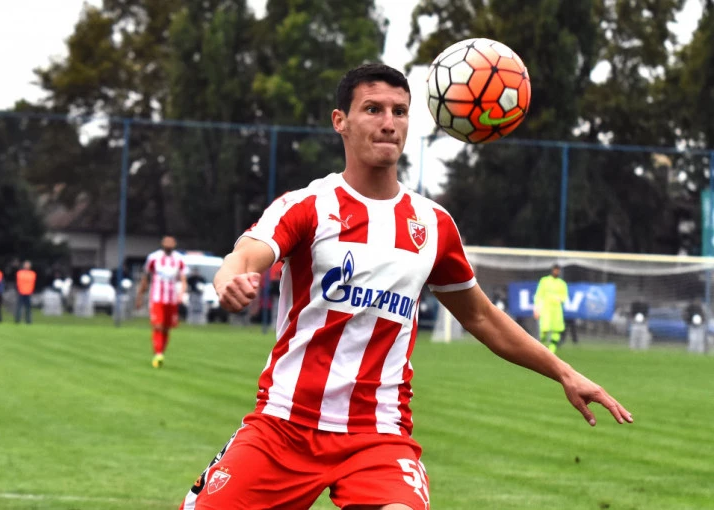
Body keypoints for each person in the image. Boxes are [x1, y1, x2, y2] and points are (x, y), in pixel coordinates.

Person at [178, 64, 632, 510]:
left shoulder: (433, 224)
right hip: (285, 425)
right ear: (340, 121)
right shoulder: (308, 205)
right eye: (373, 109)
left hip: (377, 436)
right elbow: (246, 254)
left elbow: (481, 317)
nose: (388, 123)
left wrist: (564, 372)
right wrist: (229, 278)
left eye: (399, 111)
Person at [135, 236, 187, 368]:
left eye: (171, 243)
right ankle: (158, 354)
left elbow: (183, 279)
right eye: (166, 243)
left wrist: (181, 293)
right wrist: (140, 296)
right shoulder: (154, 258)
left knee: (166, 328)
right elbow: (145, 277)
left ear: (174, 244)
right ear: (163, 244)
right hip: (157, 298)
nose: (168, 245)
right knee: (158, 325)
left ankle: (160, 352)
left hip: (171, 299)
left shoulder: (179, 259)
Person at [533, 263, 569, 354]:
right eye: (555, 270)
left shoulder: (562, 284)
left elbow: (564, 296)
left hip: (557, 311)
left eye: (558, 270)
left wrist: (560, 299)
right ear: (552, 270)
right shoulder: (544, 281)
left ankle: (551, 352)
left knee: (556, 331)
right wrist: (536, 308)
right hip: (546, 309)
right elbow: (538, 295)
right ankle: (543, 349)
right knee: (544, 330)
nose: (556, 272)